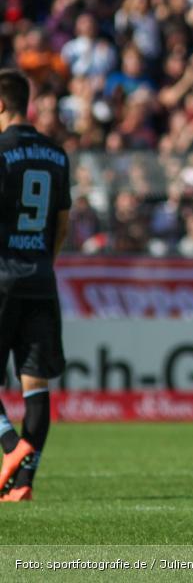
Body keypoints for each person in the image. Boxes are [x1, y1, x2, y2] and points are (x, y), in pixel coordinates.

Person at [0, 69, 70, 502]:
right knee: (36, 381)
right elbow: (61, 224)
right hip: (41, 278)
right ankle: (23, 482)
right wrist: (43, 262)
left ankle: (11, 448)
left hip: (3, 276)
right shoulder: (57, 154)